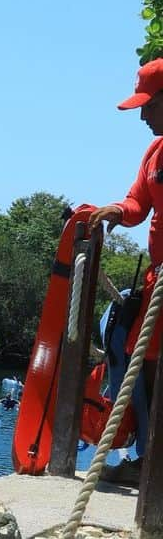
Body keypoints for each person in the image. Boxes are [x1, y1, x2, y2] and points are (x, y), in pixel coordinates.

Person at [87, 57, 163, 485]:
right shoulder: (155, 152)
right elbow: (137, 203)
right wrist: (117, 210)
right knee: (127, 346)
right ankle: (147, 455)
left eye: (148, 105)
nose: (143, 116)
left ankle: (152, 463)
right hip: (158, 280)